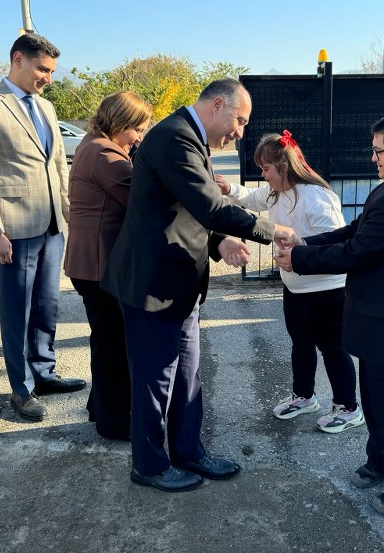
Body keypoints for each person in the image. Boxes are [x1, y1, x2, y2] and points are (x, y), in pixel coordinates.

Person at [101, 78, 294, 493]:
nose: (240, 132)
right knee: (155, 380)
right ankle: (150, 465)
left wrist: (219, 240)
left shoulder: (188, 139)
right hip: (153, 286)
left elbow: (186, 211)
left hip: (179, 285)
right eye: (239, 121)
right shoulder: (173, 138)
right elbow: (209, 204)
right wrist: (271, 229)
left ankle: (189, 451)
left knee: (187, 376)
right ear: (217, 105)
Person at [275, 111, 384, 516]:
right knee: (377, 397)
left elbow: (356, 252)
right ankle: (380, 461)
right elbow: (353, 231)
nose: (373, 158)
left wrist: (301, 260)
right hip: (378, 314)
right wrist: (306, 244)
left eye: (378, 151)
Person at [0, 33, 85, 422]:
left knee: (47, 306)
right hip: (13, 230)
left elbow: (58, 167)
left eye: (50, 70)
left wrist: (69, 217)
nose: (47, 77)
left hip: (51, 225)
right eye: (41, 69)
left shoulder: (46, 108)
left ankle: (44, 372)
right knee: (18, 311)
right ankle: (22, 387)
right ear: (18, 59)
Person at [216, 130, 363, 433]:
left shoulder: (316, 196)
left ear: (284, 166)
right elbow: (249, 198)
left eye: (266, 168)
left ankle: (348, 408)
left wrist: (299, 253)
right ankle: (304, 397)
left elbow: (335, 244)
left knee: (333, 348)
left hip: (326, 289)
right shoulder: (275, 193)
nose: (263, 174)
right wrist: (228, 187)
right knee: (301, 343)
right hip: (294, 287)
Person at [64, 90, 152, 441]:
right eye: (138, 130)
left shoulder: (93, 142)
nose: (140, 138)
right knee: (113, 344)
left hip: (91, 263)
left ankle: (100, 408)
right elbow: (141, 200)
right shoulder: (104, 153)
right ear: (120, 123)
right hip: (98, 265)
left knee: (106, 339)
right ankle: (114, 423)